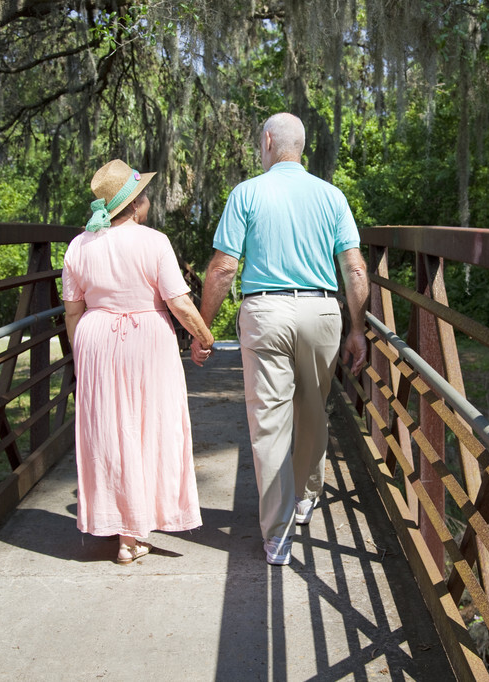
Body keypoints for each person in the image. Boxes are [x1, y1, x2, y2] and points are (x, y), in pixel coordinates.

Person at [192, 112, 369, 566]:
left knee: (269, 424)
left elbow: (224, 267)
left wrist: (202, 328)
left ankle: (277, 537)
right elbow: (353, 268)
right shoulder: (332, 196)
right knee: (313, 407)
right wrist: (356, 328)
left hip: (266, 311)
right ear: (303, 146)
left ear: (268, 141)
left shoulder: (247, 192)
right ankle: (307, 497)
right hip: (322, 311)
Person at [63, 158, 214, 565]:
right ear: (135, 205)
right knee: (152, 425)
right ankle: (134, 533)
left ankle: (120, 524)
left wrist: (82, 352)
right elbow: (179, 302)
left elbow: (73, 311)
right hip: (148, 339)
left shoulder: (79, 245)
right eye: (144, 195)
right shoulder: (154, 242)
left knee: (109, 431)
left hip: (96, 337)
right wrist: (205, 336)